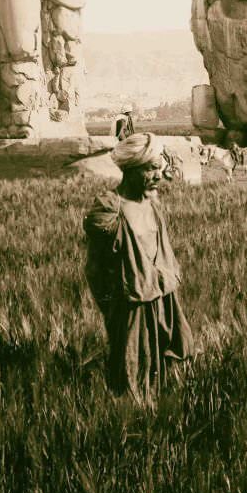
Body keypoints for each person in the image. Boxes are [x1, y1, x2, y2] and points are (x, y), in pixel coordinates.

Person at [83, 133, 194, 402]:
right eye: (151, 168)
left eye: (160, 167)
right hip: (130, 303)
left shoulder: (152, 204)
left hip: (162, 296)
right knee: (133, 369)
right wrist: (112, 305)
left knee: (169, 362)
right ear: (131, 169)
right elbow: (95, 268)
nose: (159, 175)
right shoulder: (109, 210)